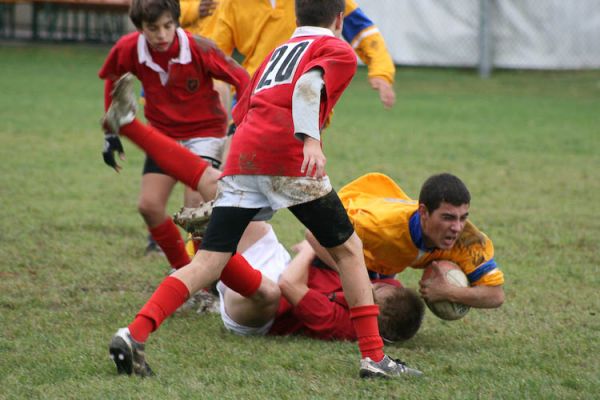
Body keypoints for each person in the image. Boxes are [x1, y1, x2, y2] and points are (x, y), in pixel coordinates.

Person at [104, 0, 422, 379]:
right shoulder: (336, 48)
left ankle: (133, 333)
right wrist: (310, 141)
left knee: (208, 262)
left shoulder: (277, 51)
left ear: (296, 16)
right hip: (287, 156)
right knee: (350, 250)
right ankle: (374, 357)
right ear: (339, 19)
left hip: (244, 152)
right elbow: (308, 86)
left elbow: (246, 104)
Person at [98, 0, 249, 270]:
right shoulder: (129, 48)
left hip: (205, 133)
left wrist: (242, 121)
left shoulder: (200, 48)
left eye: (168, 26)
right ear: (140, 28)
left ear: (177, 22)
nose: (162, 35)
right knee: (149, 206)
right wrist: (111, 134)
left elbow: (242, 78)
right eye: (153, 28)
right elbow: (113, 77)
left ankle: (210, 282)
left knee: (197, 209)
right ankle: (183, 272)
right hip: (164, 135)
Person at [306, 172, 505, 310]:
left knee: (395, 312)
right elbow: (313, 234)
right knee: (340, 319)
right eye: (448, 218)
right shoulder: (377, 228)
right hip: (350, 231)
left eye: (463, 217)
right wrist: (361, 282)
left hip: (385, 257)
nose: (457, 227)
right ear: (424, 213)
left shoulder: (468, 241)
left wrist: (449, 292)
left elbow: (496, 295)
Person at [213, 228, 425, 343]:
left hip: (259, 314)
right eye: (378, 286)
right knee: (237, 209)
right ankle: (206, 255)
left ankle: (210, 256)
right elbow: (315, 234)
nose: (370, 285)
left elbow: (288, 283)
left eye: (374, 291)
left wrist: (308, 250)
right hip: (281, 266)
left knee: (269, 292)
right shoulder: (390, 290)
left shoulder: (341, 324)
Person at [207, 0, 397, 109]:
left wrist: (381, 71)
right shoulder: (231, 3)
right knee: (239, 167)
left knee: (297, 167)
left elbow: (361, 30)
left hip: (306, 97)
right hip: (252, 97)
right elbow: (215, 54)